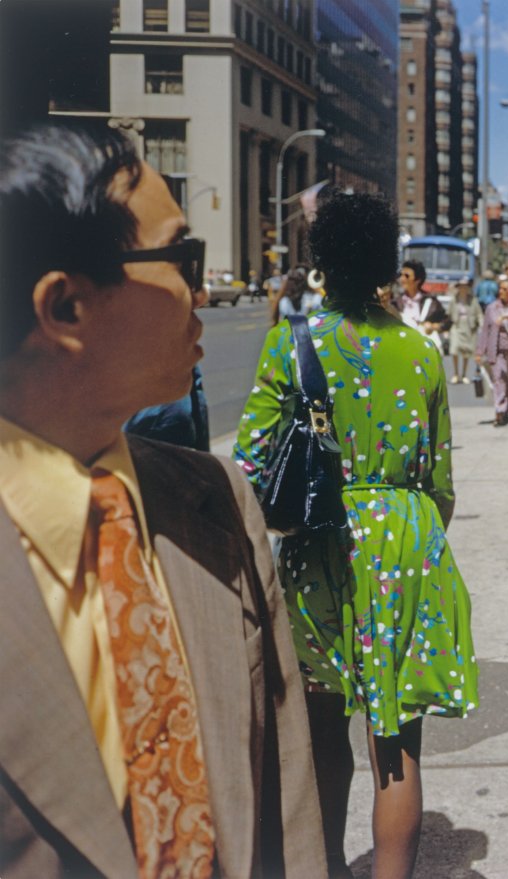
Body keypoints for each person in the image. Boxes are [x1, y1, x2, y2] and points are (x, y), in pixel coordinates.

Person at [0, 120, 324, 877]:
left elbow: (288, 803)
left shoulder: (217, 499)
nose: (202, 288)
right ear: (67, 308)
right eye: (184, 256)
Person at [235, 192, 477, 879]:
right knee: (396, 743)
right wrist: (409, 538)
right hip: (405, 541)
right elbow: (441, 478)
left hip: (322, 541)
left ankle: (327, 866)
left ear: (322, 262)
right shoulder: (421, 349)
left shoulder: (295, 341)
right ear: (383, 262)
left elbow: (253, 459)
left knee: (320, 729)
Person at [475, 275, 508, 427]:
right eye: (501, 289)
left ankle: (506, 410)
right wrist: (480, 351)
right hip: (496, 350)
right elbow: (485, 330)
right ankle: (499, 411)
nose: (502, 292)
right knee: (499, 378)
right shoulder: (492, 308)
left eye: (506, 289)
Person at [447, 276, 483, 384]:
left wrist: (482, 324)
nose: (463, 289)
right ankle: (456, 373)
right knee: (454, 350)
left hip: (468, 326)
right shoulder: (454, 299)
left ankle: (464, 374)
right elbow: (448, 313)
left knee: (466, 351)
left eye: (465, 287)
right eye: (461, 287)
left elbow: (479, 314)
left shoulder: (473, 300)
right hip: (456, 326)